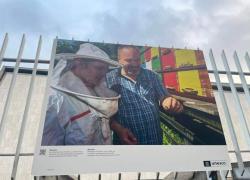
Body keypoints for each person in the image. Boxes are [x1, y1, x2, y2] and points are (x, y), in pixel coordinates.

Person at [41, 43, 120, 145]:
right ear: (80, 64)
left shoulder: (96, 89)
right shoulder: (56, 99)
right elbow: (50, 147)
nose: (103, 74)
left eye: (105, 69)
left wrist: (119, 129)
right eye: (99, 68)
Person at [106, 45, 183, 145]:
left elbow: (163, 97)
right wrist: (119, 129)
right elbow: (104, 113)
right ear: (119, 60)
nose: (134, 64)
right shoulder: (109, 79)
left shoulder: (151, 76)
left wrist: (169, 102)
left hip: (155, 140)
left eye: (137, 60)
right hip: (128, 143)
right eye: (129, 60)